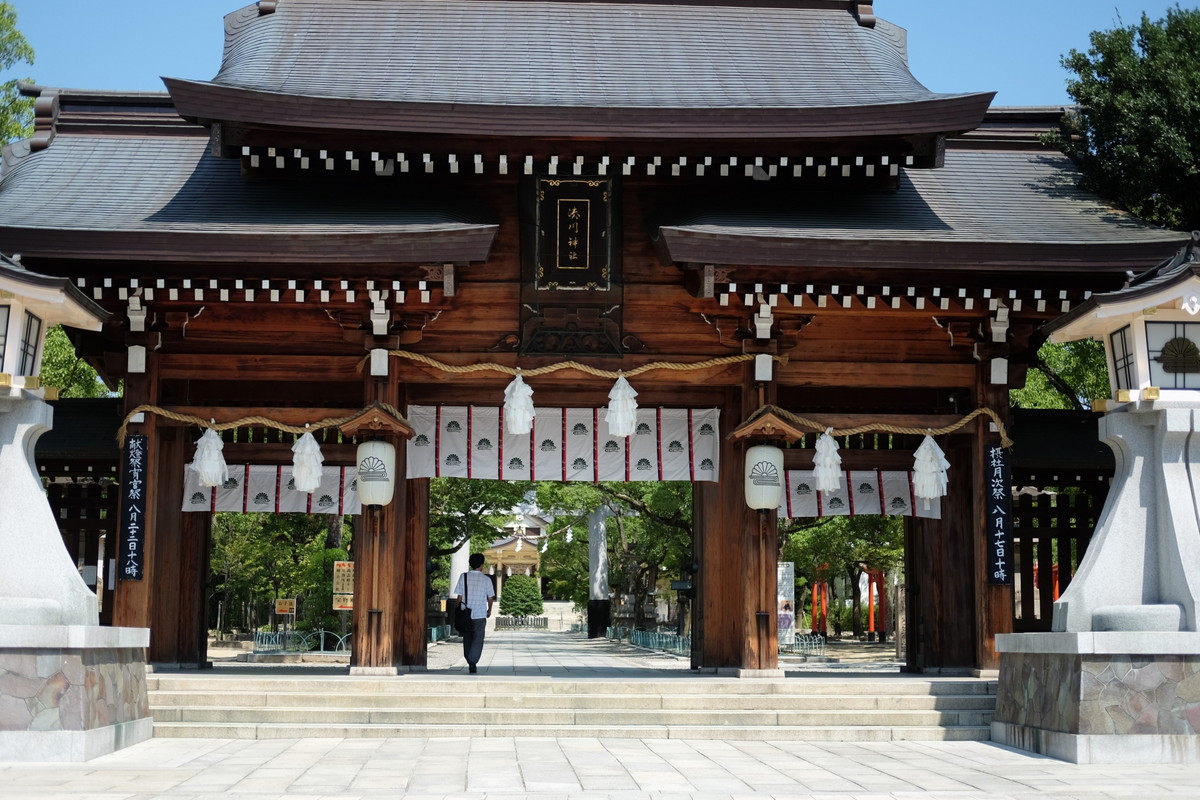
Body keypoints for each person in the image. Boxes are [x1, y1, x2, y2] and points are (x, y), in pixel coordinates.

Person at [452, 553, 495, 673]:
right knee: (478, 638)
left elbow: (459, 597)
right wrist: (489, 609)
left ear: (470, 564)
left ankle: (469, 659)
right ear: (481, 565)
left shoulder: (463, 577)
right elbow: (490, 597)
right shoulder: (487, 579)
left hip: (465, 613)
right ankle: (473, 660)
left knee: (467, 637)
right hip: (480, 613)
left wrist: (457, 611)